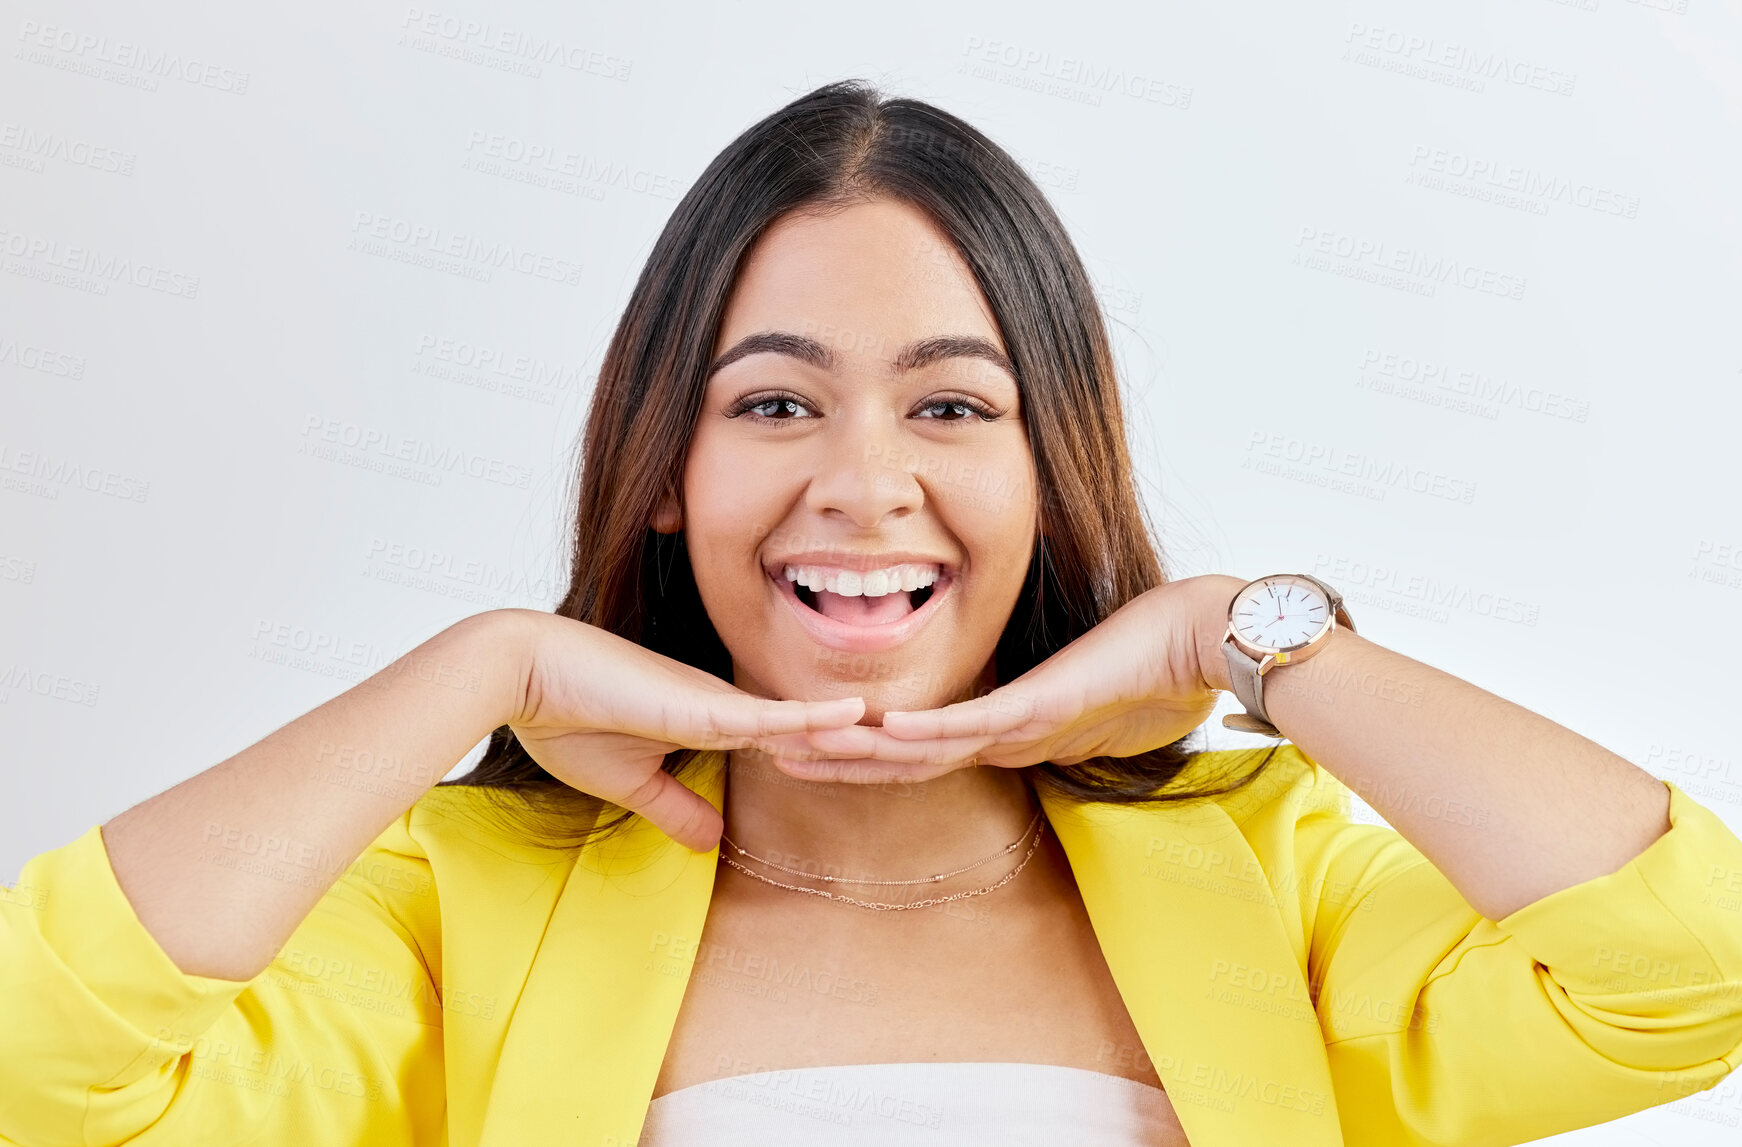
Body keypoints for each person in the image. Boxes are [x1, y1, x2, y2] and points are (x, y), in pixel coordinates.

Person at [3, 79, 1739, 1147]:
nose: (860, 484)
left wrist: (1242, 638)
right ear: (661, 470)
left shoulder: (1264, 869)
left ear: (1050, 467)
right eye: (771, 404)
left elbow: (1688, 978)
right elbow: (41, 1069)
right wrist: (479, 666)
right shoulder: (469, 903)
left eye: (951, 406)